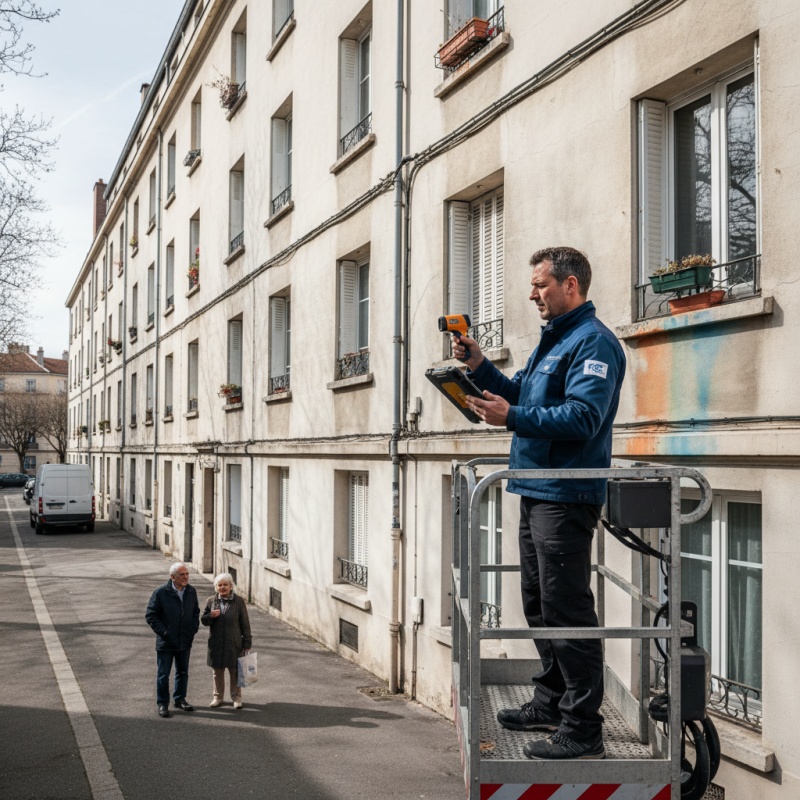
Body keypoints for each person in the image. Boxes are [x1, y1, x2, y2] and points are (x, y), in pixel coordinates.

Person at [454, 246, 626, 761]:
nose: (532, 295)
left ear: (570, 285)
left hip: (566, 493)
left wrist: (510, 418)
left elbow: (582, 418)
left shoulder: (593, 343)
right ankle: (551, 702)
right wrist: (479, 365)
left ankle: (582, 726)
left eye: (540, 285)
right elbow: (520, 398)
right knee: (539, 602)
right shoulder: (553, 342)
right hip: (535, 488)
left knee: (567, 608)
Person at [145, 562, 200, 718]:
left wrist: (192, 629)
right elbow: (151, 615)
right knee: (163, 674)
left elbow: (195, 612)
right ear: (172, 577)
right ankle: (162, 703)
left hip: (185, 640)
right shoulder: (161, 593)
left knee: (183, 672)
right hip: (166, 642)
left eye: (187, 574)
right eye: (182, 575)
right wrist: (164, 632)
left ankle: (180, 699)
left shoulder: (191, 591)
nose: (185, 577)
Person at [201, 573, 252, 709]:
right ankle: (217, 697)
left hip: (234, 642)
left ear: (231, 586)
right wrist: (210, 616)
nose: (222, 587)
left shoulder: (239, 601)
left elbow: (245, 623)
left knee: (234, 671)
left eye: (225, 585)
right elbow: (204, 621)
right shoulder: (211, 601)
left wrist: (247, 643)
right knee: (217, 671)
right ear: (216, 587)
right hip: (216, 643)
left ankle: (236, 698)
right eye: (219, 585)